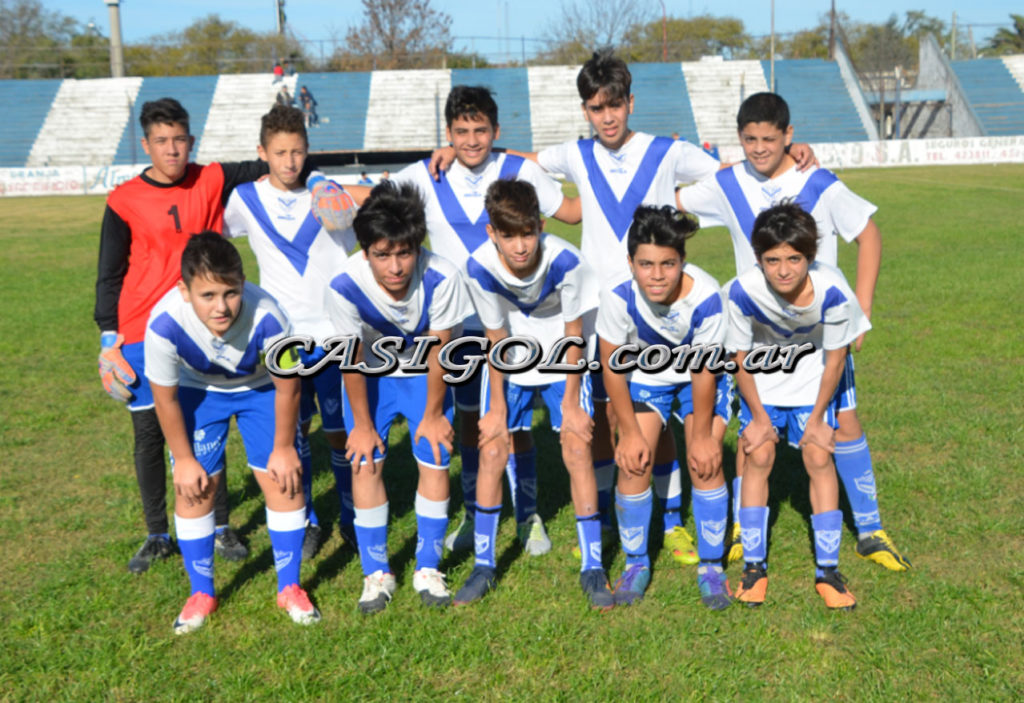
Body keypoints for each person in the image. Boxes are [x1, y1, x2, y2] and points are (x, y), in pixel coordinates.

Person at [95, 97, 349, 574]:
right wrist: (108, 336)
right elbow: (109, 270)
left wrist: (318, 178)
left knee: (213, 415)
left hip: (216, 318)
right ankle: (157, 533)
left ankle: (222, 525)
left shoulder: (211, 178)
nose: (172, 149)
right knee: (151, 431)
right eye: (162, 141)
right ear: (146, 144)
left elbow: (281, 160)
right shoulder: (124, 199)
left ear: (191, 141)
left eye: (179, 140)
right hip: (144, 325)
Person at [339, 86, 581, 560]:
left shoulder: (521, 170)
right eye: (462, 131)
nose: (471, 140)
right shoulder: (424, 175)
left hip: (514, 326)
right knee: (470, 418)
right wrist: (318, 188)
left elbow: (570, 212)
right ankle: (474, 512)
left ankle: (528, 514)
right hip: (453, 328)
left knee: (516, 422)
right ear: (447, 132)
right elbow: (373, 200)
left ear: (496, 130)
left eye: (481, 130)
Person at [677, 92, 911, 572]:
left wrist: (862, 308)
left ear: (789, 135)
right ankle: (743, 531)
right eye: (750, 140)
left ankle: (870, 530)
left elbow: (868, 233)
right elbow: (671, 197)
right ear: (739, 138)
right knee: (752, 434)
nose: (760, 148)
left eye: (770, 138)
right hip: (758, 336)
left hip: (821, 333)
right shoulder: (726, 183)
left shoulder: (817, 181)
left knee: (844, 423)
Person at [145, 232, 319, 633]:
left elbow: (289, 387)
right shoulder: (164, 324)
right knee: (194, 487)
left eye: (231, 292)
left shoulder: (270, 316)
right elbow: (165, 400)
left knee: (284, 480)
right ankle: (201, 593)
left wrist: (283, 448)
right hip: (199, 390)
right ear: (184, 291)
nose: (221, 307)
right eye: (207, 295)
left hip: (261, 389)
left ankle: (290, 587)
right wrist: (184, 460)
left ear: (243, 283)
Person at [454, 179, 614, 610]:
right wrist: (497, 410)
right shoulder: (478, 266)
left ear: (541, 226)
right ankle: (484, 565)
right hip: (513, 353)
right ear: (492, 233)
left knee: (577, 447)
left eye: (528, 233)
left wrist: (571, 404)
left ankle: (593, 566)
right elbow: (495, 336)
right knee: (491, 448)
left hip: (564, 354)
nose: (520, 246)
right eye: (509, 236)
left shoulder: (567, 262)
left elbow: (574, 332)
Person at [325, 181, 473, 614]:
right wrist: (362, 425)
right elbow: (351, 360)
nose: (394, 267)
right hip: (371, 374)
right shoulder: (343, 285)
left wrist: (433, 414)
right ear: (364, 250)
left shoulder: (443, 276)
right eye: (382, 255)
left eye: (404, 253)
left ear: (418, 246)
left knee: (435, 452)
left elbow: (440, 350)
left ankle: (427, 567)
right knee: (364, 459)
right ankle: (376, 573)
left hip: (426, 373)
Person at [222, 104, 358, 560]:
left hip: (336, 334)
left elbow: (380, 207)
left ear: (308, 150)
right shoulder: (244, 198)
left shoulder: (331, 196)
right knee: (294, 432)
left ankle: (351, 515)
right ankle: (308, 520)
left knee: (340, 431)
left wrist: (326, 183)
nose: (290, 161)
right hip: (282, 338)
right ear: (262, 152)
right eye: (280, 152)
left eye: (298, 152)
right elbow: (214, 236)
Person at [724, 203, 867, 610]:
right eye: (772, 260)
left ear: (810, 256)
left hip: (812, 381)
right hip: (763, 381)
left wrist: (819, 418)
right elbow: (738, 358)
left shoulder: (833, 290)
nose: (783, 270)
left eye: (794, 259)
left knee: (819, 456)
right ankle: (753, 568)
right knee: (759, 454)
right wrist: (758, 417)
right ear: (758, 258)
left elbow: (836, 359)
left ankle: (828, 572)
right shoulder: (740, 291)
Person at [596, 205, 732, 609]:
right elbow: (611, 365)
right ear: (630, 263)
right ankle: (636, 563)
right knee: (633, 462)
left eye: (668, 264)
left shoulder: (707, 297)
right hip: (647, 375)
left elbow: (704, 371)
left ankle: (712, 568)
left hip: (700, 377)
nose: (657, 275)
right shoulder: (617, 294)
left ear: (682, 260)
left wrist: (703, 437)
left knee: (704, 461)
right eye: (646, 264)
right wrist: (628, 432)